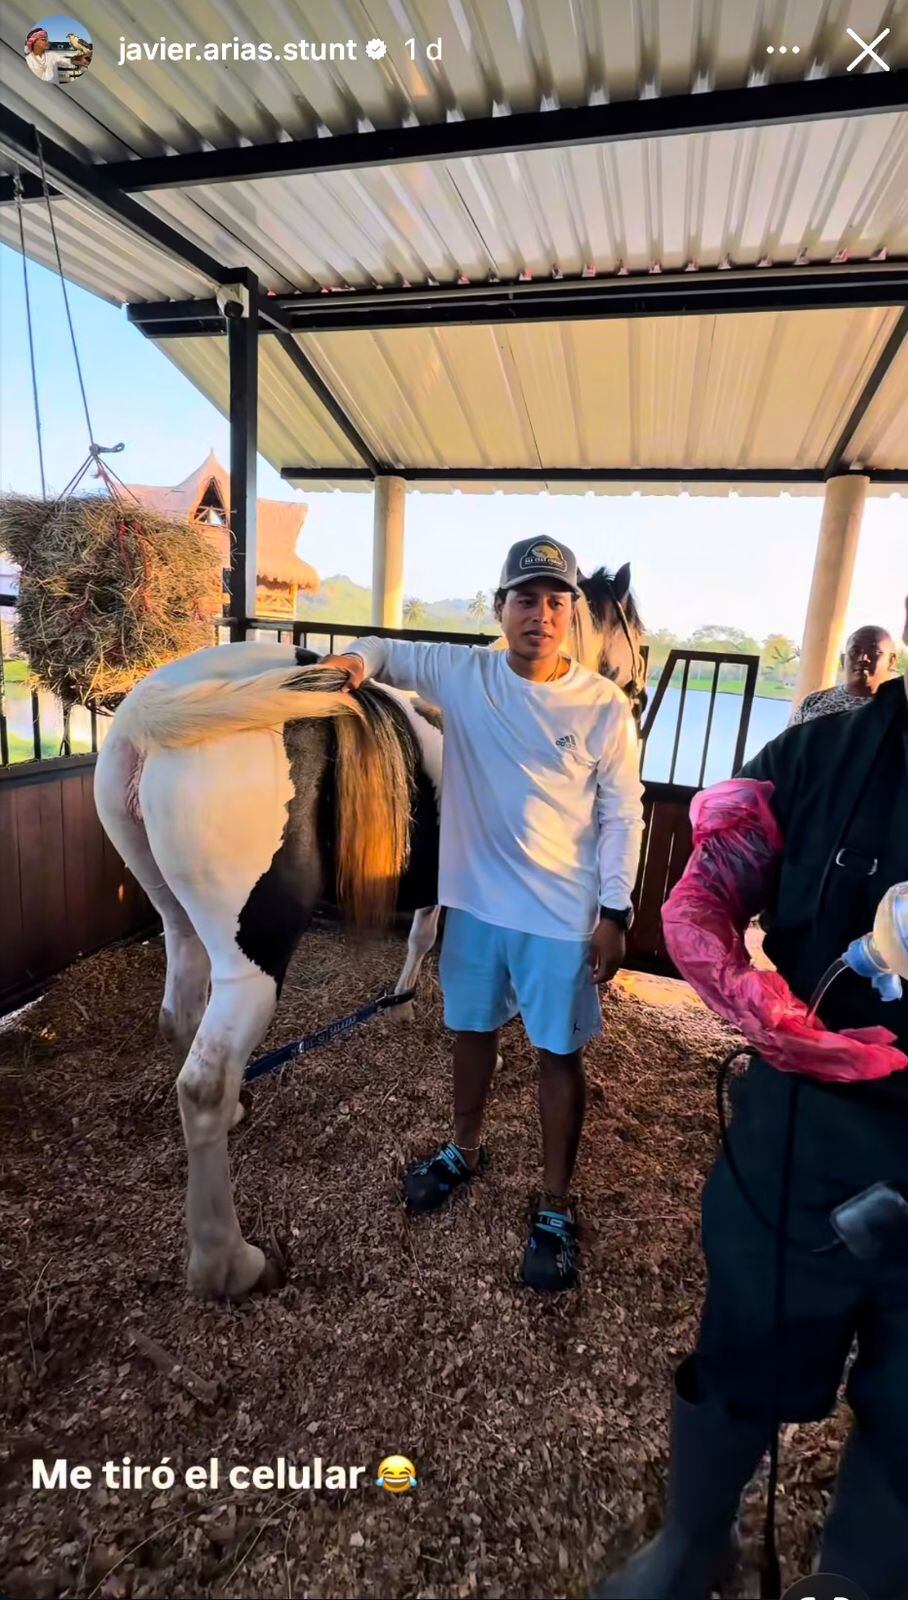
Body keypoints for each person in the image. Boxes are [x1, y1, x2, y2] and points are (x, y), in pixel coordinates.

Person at [596, 600, 908, 1598]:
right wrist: (757, 1005)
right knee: (744, 1335)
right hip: (805, 1128)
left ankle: (852, 1578)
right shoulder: (819, 754)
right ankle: (691, 1543)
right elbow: (699, 897)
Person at [320, 537, 644, 1293]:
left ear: (572, 614)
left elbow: (623, 814)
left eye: (556, 601)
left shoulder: (601, 706)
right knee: (470, 1034)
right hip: (472, 906)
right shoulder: (463, 675)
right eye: (525, 599)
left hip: (561, 918)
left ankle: (556, 1205)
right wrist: (352, 667)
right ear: (499, 609)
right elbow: (382, 646)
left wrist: (615, 910)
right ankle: (465, 1151)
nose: (541, 614)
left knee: (557, 1056)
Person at [790, 623, 897, 723]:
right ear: (842, 659)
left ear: (892, 661)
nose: (863, 658)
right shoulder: (813, 702)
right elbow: (790, 742)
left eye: (874, 652)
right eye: (855, 651)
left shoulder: (899, 710)